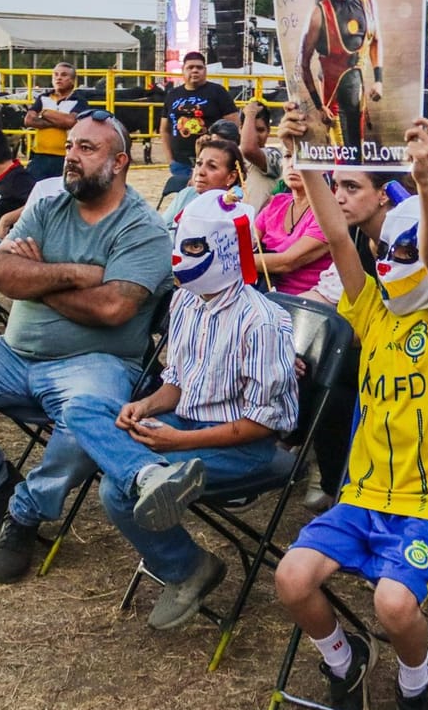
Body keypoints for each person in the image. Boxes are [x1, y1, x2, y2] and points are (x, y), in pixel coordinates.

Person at [0, 112, 170, 581]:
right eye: (70, 147)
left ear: (120, 162)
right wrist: (78, 274)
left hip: (94, 363)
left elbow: (113, 309)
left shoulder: (142, 228)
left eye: (87, 149)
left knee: (89, 423)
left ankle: (25, 512)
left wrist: (36, 279)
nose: (72, 157)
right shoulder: (49, 205)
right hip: (13, 352)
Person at [274, 117, 428, 710]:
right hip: (361, 495)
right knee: (292, 579)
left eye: (403, 254)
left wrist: (424, 182)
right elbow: (338, 238)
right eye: (388, 252)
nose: (391, 265)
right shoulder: (373, 312)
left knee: (394, 604)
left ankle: (417, 681)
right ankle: (344, 660)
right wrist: (304, 158)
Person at [66, 189, 298, 629]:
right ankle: (150, 474)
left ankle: (188, 567)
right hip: (185, 420)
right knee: (83, 409)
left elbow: (265, 424)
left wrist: (179, 441)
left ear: (225, 250)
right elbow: (177, 380)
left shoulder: (263, 322)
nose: (179, 257)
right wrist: (144, 405)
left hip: (244, 446)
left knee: (116, 492)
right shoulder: (186, 300)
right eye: (179, 244)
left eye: (192, 247)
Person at [299, 0, 382, 155]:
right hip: (333, 96)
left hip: (359, 93)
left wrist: (379, 80)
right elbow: (304, 64)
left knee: (359, 152)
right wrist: (319, 106)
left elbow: (376, 41)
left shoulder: (368, 2)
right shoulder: (319, 13)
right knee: (343, 156)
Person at [254, 157, 332, 296]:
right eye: (288, 156)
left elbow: (287, 262)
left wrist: (231, 262)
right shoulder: (276, 203)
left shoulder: (327, 213)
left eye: (301, 158)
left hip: (304, 304)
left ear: (324, 168)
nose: (292, 164)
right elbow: (247, 241)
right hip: (263, 296)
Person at [160, 52, 238, 183]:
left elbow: (233, 126)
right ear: (183, 71)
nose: (195, 70)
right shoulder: (173, 94)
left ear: (205, 70)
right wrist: (170, 159)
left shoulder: (218, 92)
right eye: (190, 68)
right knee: (185, 199)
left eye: (199, 67)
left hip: (211, 162)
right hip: (180, 163)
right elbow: (164, 129)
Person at [23, 63, 92, 181]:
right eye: (55, 75)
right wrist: (60, 122)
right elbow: (29, 120)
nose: (58, 78)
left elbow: (71, 122)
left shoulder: (79, 101)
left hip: (65, 157)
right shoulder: (43, 98)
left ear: (72, 80)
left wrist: (44, 113)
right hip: (40, 156)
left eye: (64, 75)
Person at [161, 136, 244, 233]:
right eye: (199, 163)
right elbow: (160, 232)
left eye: (212, 166)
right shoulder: (187, 194)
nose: (200, 172)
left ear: (231, 177)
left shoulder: (237, 211)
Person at [239, 99, 284, 210]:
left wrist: (250, 115)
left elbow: (249, 149)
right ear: (241, 129)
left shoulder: (273, 156)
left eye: (260, 130)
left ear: (268, 131)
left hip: (259, 226)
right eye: (251, 129)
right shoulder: (230, 154)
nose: (255, 136)